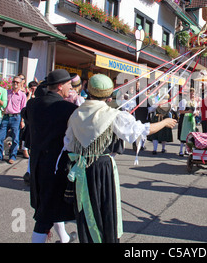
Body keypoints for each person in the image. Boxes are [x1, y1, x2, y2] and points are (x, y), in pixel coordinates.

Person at [63, 74, 177, 242]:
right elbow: (140, 130)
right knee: (105, 207)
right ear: (109, 94)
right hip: (103, 167)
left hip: (81, 165)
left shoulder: (76, 113)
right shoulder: (112, 114)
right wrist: (165, 122)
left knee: (86, 209)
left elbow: (68, 143)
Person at [25, 69, 78, 243]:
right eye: (69, 84)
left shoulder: (32, 105)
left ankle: (64, 238)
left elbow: (24, 113)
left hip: (37, 164)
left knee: (50, 205)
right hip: (56, 166)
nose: (71, 87)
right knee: (45, 214)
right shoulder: (68, 108)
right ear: (60, 86)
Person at [0, 76, 27, 164]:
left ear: (20, 84)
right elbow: (2, 103)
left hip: (16, 117)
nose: (15, 83)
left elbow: (23, 109)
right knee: (0, 137)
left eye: (17, 82)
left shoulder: (22, 95)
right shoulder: (7, 92)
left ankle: (12, 156)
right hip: (6, 116)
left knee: (15, 138)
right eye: (14, 82)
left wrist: (22, 121)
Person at [178, 88, 198, 156]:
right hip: (184, 119)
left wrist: (195, 113)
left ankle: (186, 150)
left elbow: (195, 111)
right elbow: (180, 111)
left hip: (191, 119)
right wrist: (187, 112)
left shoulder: (194, 102)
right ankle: (180, 150)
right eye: (191, 94)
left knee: (189, 135)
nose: (192, 95)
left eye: (193, 94)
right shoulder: (184, 101)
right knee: (183, 135)